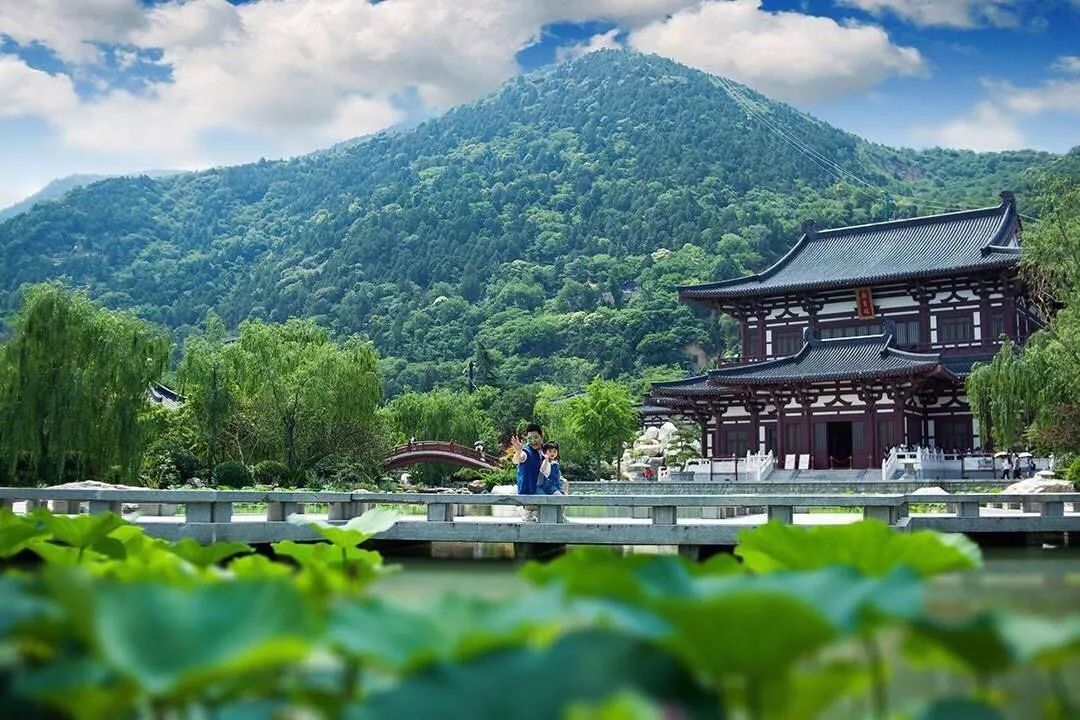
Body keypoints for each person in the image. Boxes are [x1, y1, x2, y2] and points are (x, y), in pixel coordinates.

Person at [510, 423, 545, 521]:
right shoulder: (526, 451)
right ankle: (526, 511)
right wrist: (518, 451)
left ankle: (559, 516)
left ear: (541, 437)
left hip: (540, 489)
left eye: (535, 437)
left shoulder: (544, 450)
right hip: (528, 493)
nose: (533, 441)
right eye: (530, 438)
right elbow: (516, 460)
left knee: (564, 484)